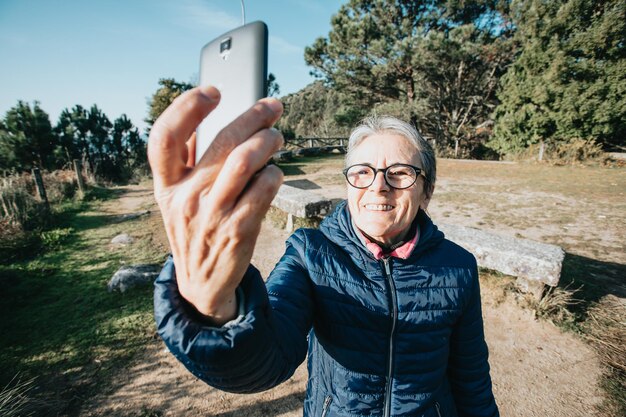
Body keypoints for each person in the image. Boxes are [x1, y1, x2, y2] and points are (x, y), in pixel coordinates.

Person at [149, 86, 499, 417]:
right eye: (362, 172)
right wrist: (213, 309)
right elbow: (269, 358)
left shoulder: (459, 267)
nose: (378, 187)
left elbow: (472, 381)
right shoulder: (309, 254)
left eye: (400, 173)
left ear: (427, 191)